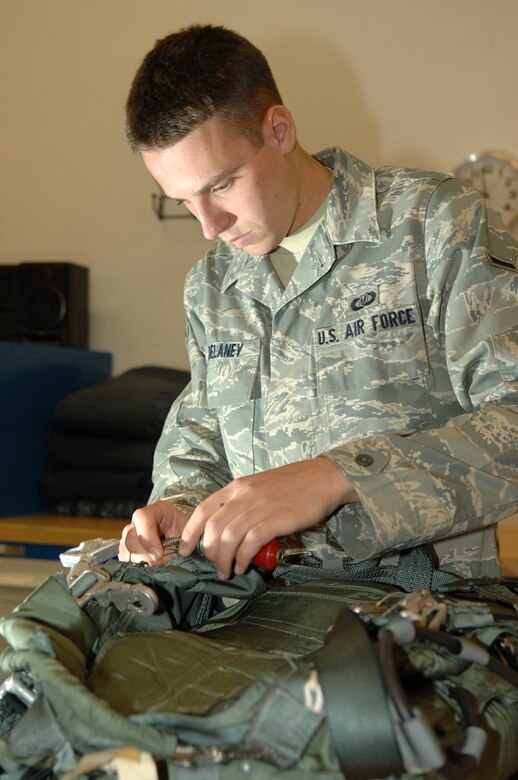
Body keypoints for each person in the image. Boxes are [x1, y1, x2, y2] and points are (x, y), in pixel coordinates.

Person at [120, 23, 518, 585]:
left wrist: (340, 476)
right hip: (260, 627)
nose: (209, 226)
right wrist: (181, 509)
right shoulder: (212, 286)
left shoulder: (430, 226)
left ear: (279, 130)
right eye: (184, 201)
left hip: (417, 631)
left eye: (222, 185)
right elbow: (204, 436)